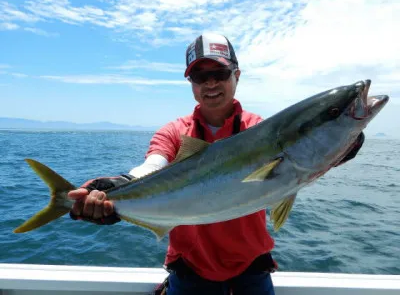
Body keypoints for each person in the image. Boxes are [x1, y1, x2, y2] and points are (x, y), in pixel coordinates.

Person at [68, 33, 365, 295]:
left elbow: (307, 157)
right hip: (189, 273)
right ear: (191, 83)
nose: (210, 82)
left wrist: (342, 143)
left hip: (253, 272)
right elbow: (152, 167)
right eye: (200, 76)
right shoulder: (174, 132)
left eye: (219, 73)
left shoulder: (260, 129)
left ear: (237, 75)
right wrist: (116, 187)